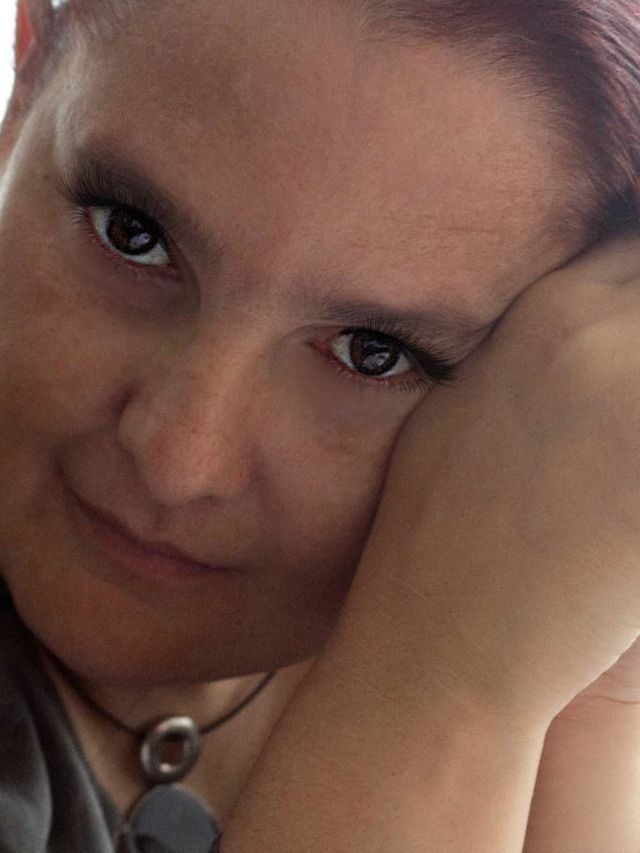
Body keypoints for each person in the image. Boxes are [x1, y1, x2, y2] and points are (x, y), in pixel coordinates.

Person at [1, 0, 640, 850]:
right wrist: (443, 694)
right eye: (133, 235)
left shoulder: (526, 634)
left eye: (371, 353)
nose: (177, 458)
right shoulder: (470, 680)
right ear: (25, 82)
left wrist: (592, 693)